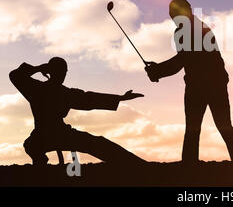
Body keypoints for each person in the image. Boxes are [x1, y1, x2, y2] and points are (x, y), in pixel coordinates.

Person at [145, 0, 233, 163]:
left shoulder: (191, 30)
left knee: (198, 128)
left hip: (205, 84)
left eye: (174, 13)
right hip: (207, 83)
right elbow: (183, 59)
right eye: (171, 13)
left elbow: (183, 60)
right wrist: (159, 70)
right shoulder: (192, 28)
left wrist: (158, 71)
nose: (172, 16)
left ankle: (191, 167)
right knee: (218, 126)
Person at [9, 57, 146, 166]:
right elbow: (89, 99)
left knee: (31, 145)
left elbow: (89, 98)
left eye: (64, 72)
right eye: (60, 71)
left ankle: (139, 166)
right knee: (97, 143)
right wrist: (120, 98)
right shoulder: (48, 91)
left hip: (46, 136)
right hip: (56, 135)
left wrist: (120, 98)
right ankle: (138, 166)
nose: (63, 75)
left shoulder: (37, 89)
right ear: (52, 71)